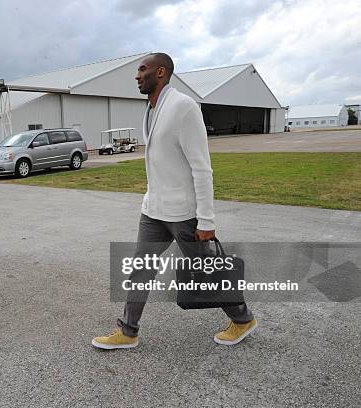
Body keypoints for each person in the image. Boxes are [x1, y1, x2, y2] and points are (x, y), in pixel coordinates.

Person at [92, 53, 257, 349]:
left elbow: (202, 167)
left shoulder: (183, 107)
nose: (137, 75)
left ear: (161, 72)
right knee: (141, 267)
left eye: (142, 69)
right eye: (137, 70)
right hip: (153, 209)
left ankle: (243, 319)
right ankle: (128, 331)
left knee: (207, 271)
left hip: (183, 213)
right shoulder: (151, 109)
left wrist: (206, 220)